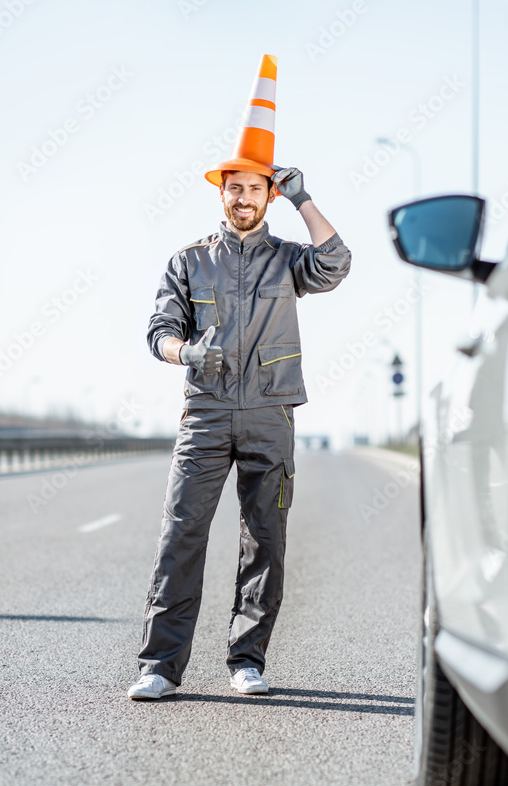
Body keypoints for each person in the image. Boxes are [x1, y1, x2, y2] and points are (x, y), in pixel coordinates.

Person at [127, 163, 351, 700]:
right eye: (235, 189)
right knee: (181, 535)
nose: (243, 198)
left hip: (270, 415)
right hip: (204, 414)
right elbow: (159, 331)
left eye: (254, 189)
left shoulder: (290, 260)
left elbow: (337, 262)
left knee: (265, 539)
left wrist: (303, 198)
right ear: (221, 194)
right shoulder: (189, 260)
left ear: (267, 196)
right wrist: (187, 352)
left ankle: (247, 660)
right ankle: (159, 666)